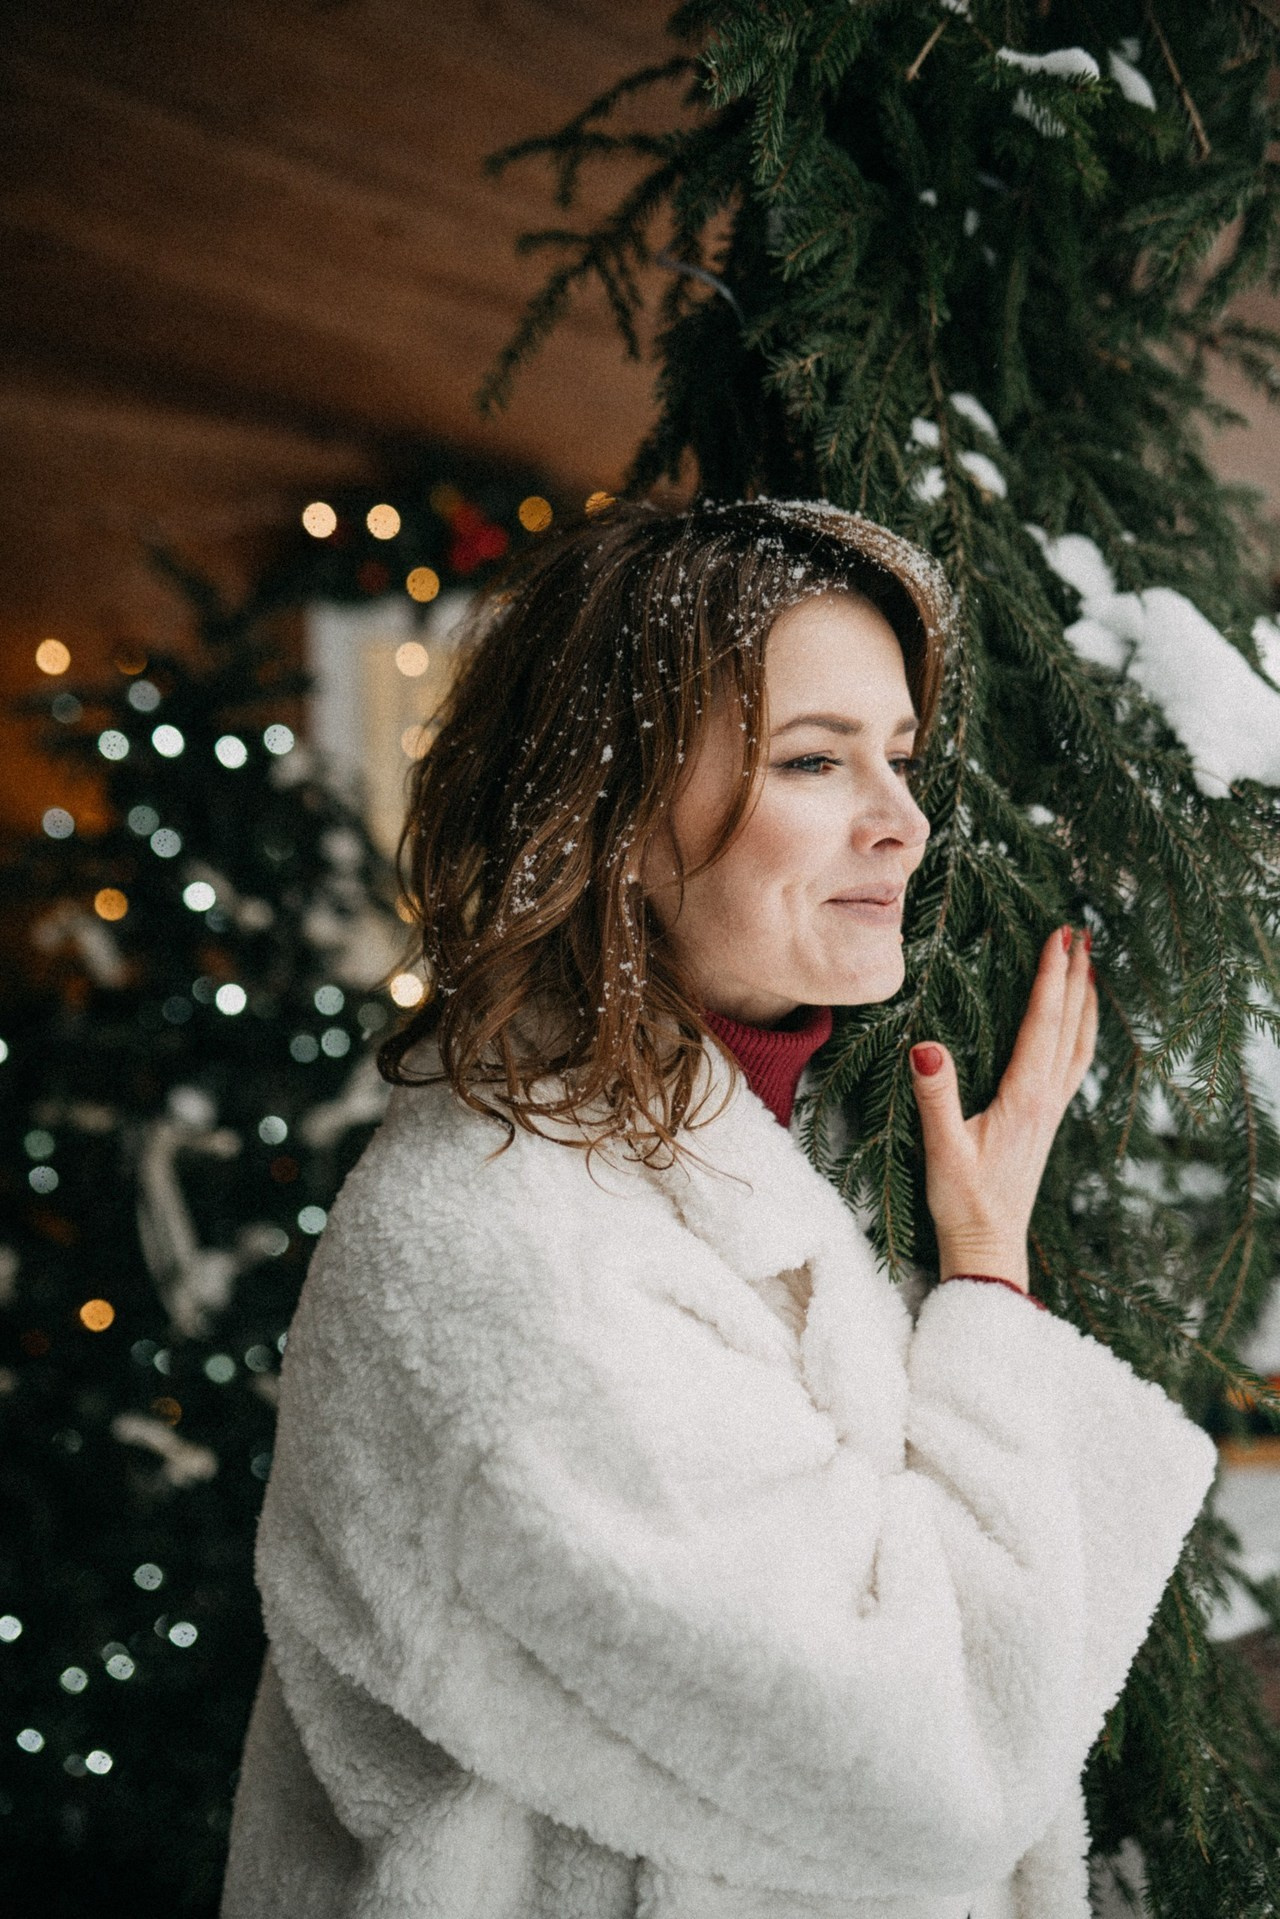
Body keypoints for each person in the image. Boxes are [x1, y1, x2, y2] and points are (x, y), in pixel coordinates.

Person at [220, 498, 1216, 1919]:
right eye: (817, 759)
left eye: (902, 755)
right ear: (612, 817)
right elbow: (928, 1774)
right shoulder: (517, 1263)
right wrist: (986, 1281)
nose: (906, 821)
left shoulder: (774, 1129)